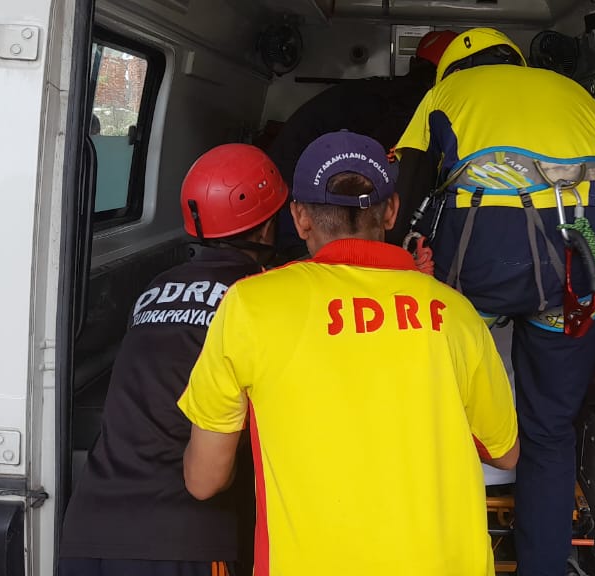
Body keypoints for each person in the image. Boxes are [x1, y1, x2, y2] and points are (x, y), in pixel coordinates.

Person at [178, 130, 519, 576]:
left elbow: (202, 481)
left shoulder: (251, 306)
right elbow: (506, 453)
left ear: (299, 218)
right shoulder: (454, 313)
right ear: (392, 210)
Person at [392, 28, 595, 575]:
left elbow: (404, 203)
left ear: (449, 69)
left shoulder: (442, 98)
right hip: (571, 273)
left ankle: (438, 557)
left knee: (439, 416)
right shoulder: (579, 95)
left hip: (475, 276)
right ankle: (543, 567)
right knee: (549, 431)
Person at [59, 143, 287, 576]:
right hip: (179, 540)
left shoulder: (155, 288)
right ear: (269, 225)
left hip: (88, 530)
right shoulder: (261, 300)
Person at [267, 29, 457, 261]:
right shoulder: (409, 105)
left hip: (285, 180)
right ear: (450, 75)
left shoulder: (386, 92)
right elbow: (389, 179)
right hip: (300, 192)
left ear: (415, 62)